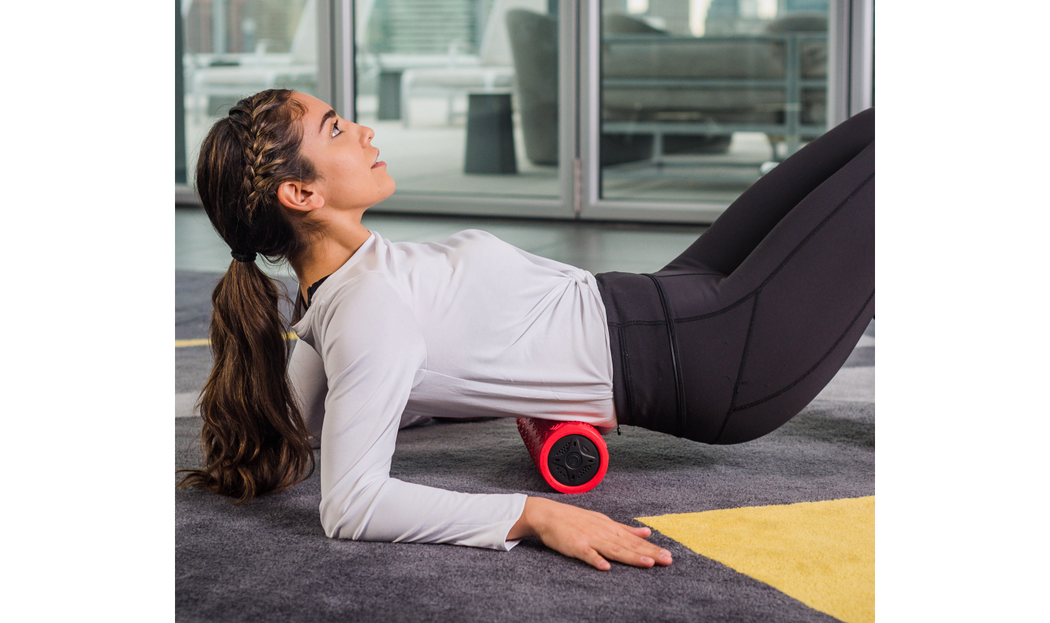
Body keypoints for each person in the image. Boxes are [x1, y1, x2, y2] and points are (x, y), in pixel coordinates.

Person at [178, 88, 874, 572]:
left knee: (868, 133)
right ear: (301, 195)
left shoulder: (339, 301)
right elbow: (353, 503)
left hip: (679, 293)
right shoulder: (366, 313)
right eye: (334, 129)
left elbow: (293, 420)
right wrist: (533, 516)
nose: (363, 130)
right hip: (717, 351)